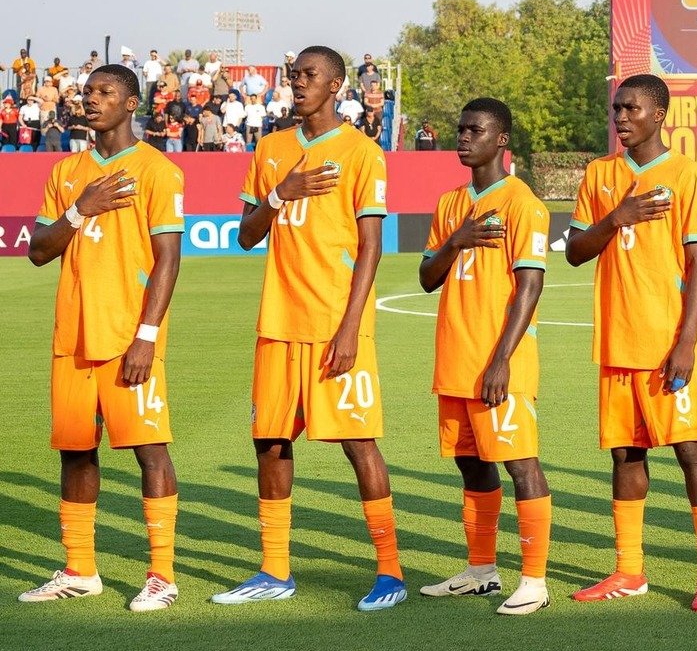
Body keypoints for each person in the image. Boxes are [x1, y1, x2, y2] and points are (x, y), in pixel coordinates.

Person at [213, 46, 406, 610]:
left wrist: (350, 327)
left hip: (334, 325)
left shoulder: (363, 153)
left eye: (310, 75)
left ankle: (390, 572)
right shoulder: (271, 149)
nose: (298, 83)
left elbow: (371, 246)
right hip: (278, 322)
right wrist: (280, 194)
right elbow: (247, 235)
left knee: (358, 442)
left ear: (338, 85)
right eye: (294, 75)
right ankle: (275, 571)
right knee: (270, 444)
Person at [18, 66, 186, 611]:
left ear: (131, 102)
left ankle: (162, 574)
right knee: (75, 453)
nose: (90, 100)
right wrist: (78, 208)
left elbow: (168, 259)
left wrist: (146, 335)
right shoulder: (67, 170)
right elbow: (39, 249)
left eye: (104, 92)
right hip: (72, 337)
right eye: (86, 92)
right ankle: (80, 569)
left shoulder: (158, 171)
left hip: (126, 338)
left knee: (150, 452)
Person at [565, 76, 697, 609]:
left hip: (666, 343)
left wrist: (686, 340)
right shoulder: (600, 174)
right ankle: (629, 570)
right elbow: (576, 251)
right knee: (625, 455)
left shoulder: (687, 176)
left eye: (632, 108)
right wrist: (617, 217)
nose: (621, 117)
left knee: (690, 452)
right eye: (617, 108)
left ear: (660, 113)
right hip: (616, 340)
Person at [414, 99, 557, 616]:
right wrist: (454, 241)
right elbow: (428, 278)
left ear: (501, 140)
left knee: (522, 466)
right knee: (471, 466)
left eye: (476, 130)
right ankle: (481, 572)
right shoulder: (451, 203)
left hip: (500, 364)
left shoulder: (522, 203)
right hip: (456, 360)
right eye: (460, 128)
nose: (463, 137)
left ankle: (536, 582)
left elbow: (529, 287)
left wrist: (501, 360)